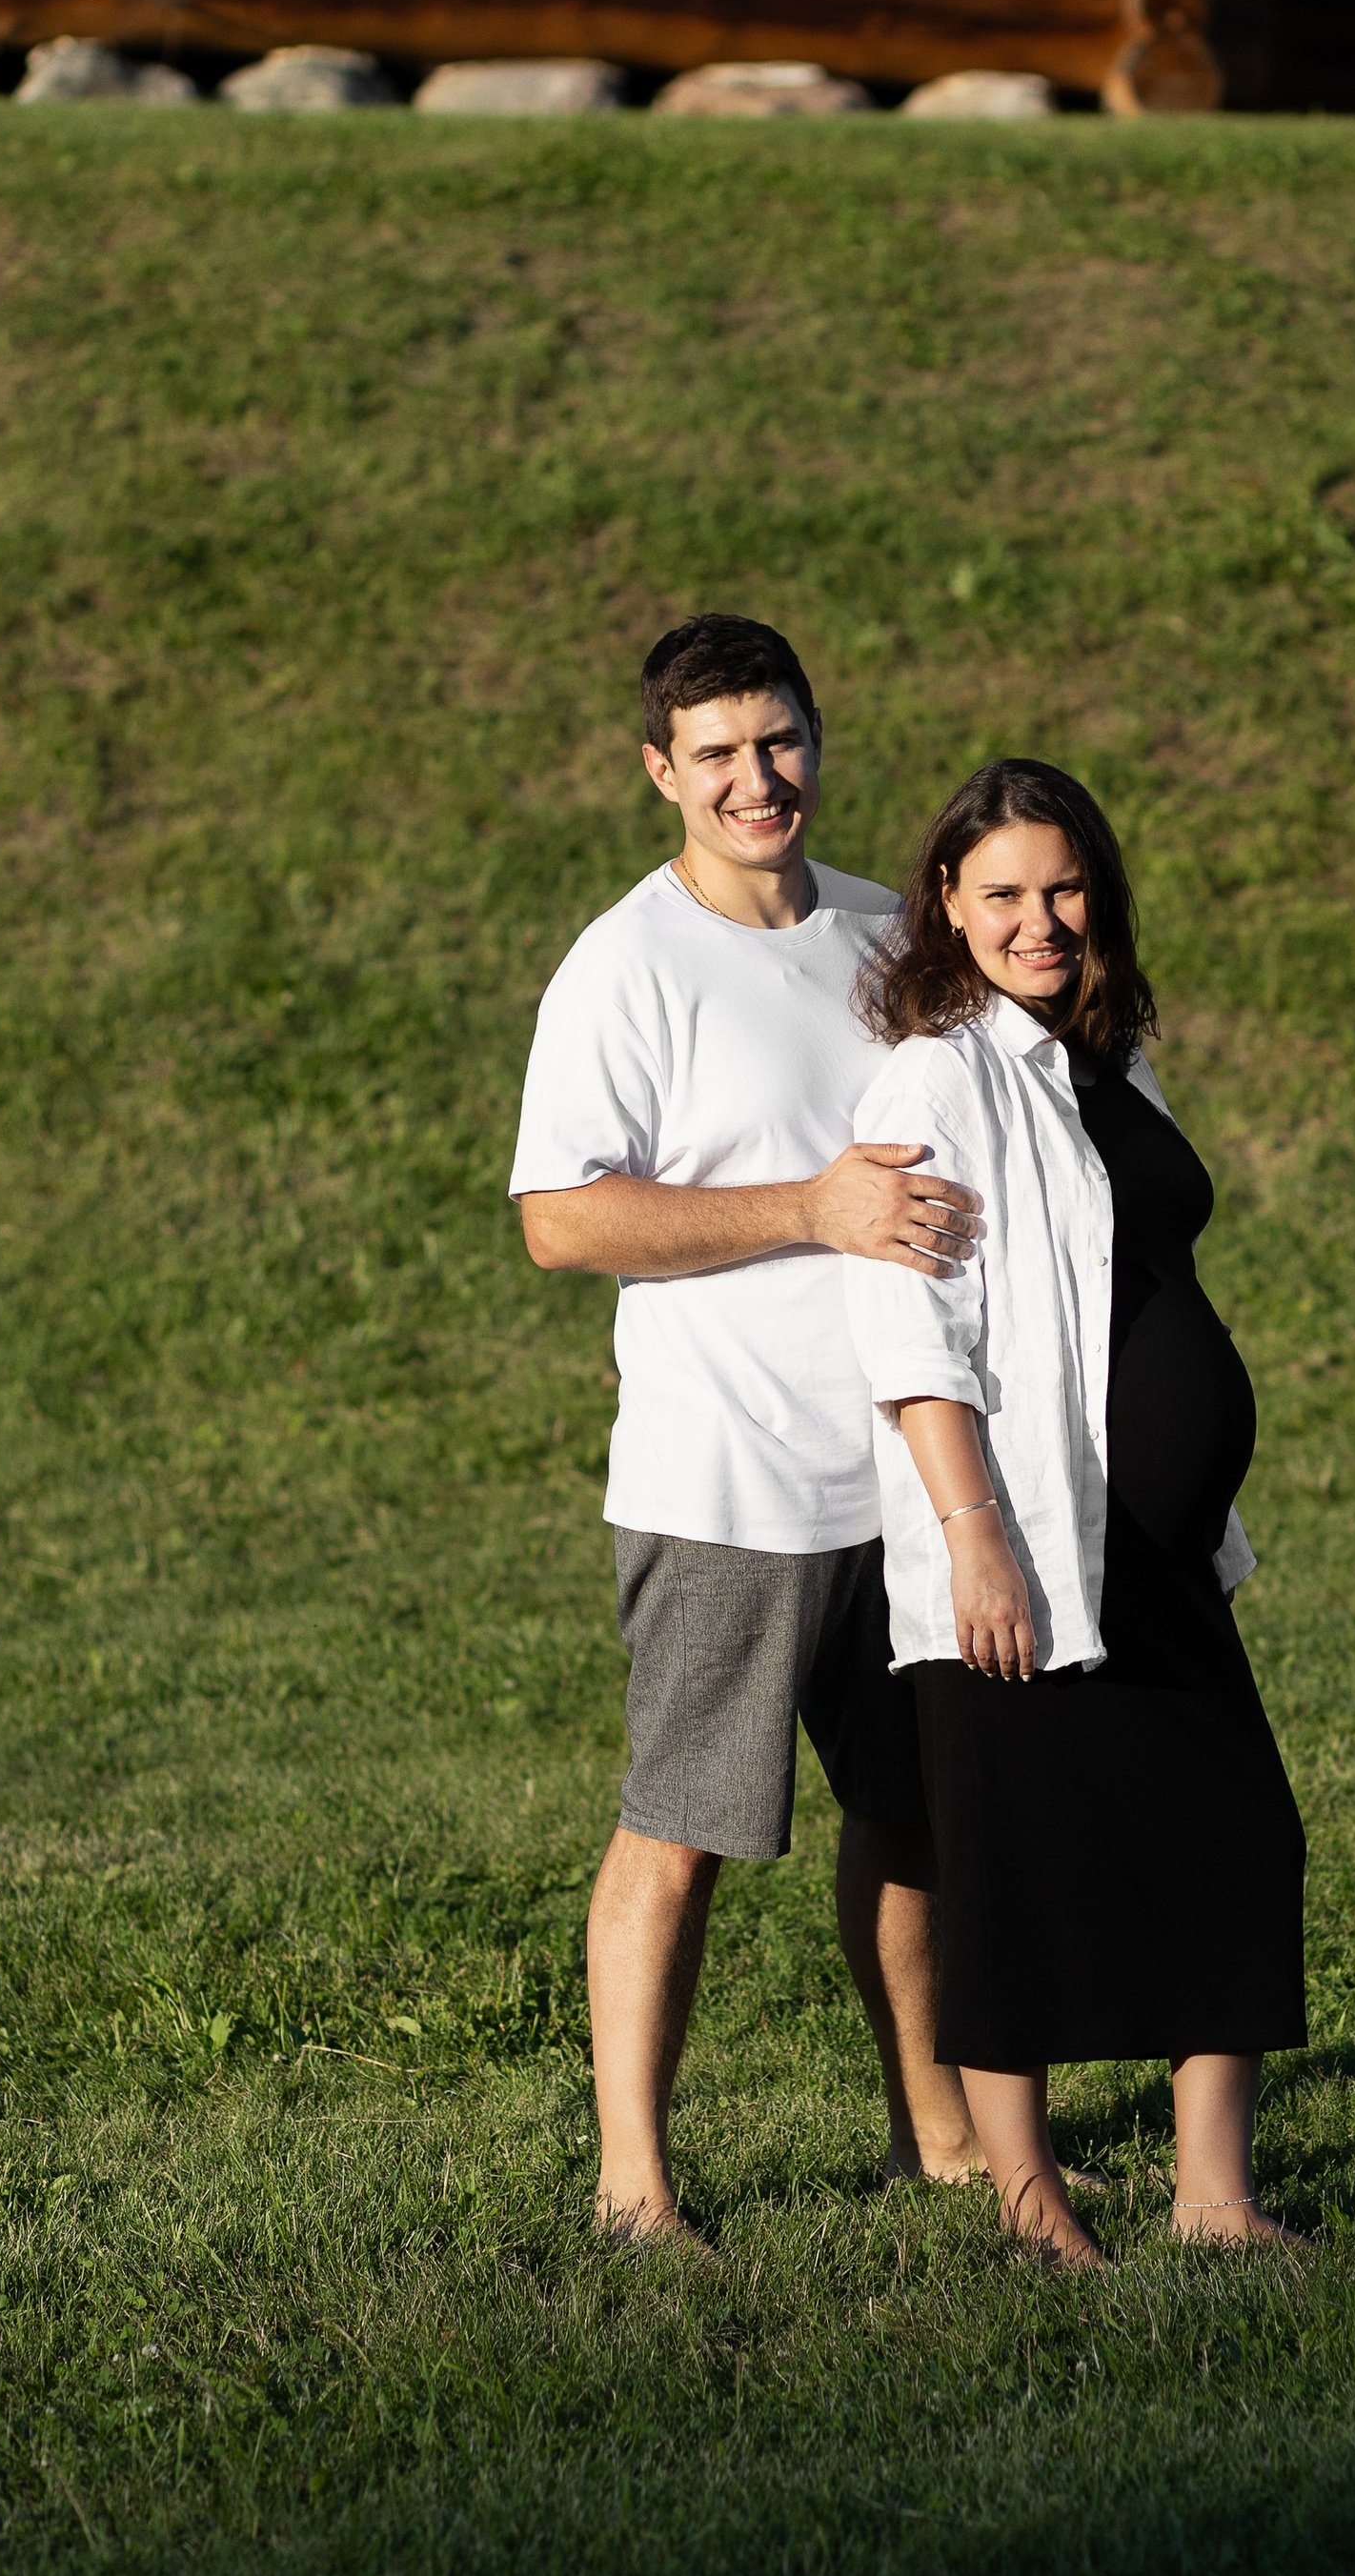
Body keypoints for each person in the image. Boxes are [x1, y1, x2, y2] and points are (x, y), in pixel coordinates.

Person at [510, 613, 984, 2243]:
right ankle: (633, 2188)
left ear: (818, 741)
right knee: (683, 1830)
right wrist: (811, 1208)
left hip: (906, 1472)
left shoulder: (889, 932)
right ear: (662, 772)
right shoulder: (624, 965)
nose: (754, 778)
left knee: (916, 1815)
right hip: (727, 1478)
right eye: (714, 753)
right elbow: (560, 1222)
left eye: (776, 741)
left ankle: (939, 2137)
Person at [843, 758, 1306, 2265]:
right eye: (1003, 895)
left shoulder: (1109, 1057)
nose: (1039, 920)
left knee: (1235, 1836)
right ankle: (1032, 2200)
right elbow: (910, 1324)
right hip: (1029, 1545)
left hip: (1158, 1547)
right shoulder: (938, 1073)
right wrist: (975, 1530)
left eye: (1062, 888)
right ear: (946, 907)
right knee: (1021, 1862)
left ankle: (1215, 2199)